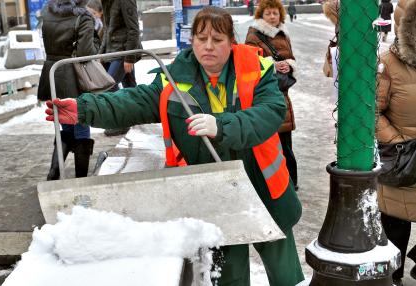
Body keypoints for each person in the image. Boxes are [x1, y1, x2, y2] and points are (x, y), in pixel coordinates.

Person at [45, 6, 304, 286]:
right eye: (201, 38)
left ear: (232, 42)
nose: (208, 47)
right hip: (217, 193)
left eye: (217, 40)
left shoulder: (257, 68)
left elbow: (270, 112)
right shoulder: (174, 78)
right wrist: (84, 109)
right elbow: (135, 101)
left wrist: (221, 126)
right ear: (191, 41)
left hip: (263, 187)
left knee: (286, 275)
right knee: (229, 276)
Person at [376, 0, 416, 285]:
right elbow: (371, 111)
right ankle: (393, 277)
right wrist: (398, 141)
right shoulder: (389, 62)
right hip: (403, 160)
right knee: (395, 230)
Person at [37, 0, 99, 180]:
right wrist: (96, 38)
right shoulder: (83, 16)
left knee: (65, 122)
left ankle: (54, 173)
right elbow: (86, 52)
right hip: (73, 74)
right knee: (80, 121)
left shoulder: (48, 12)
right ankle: (80, 178)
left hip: (52, 71)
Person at [245, 0, 299, 190]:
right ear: (261, 15)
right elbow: (249, 63)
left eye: (275, 13)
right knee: (270, 142)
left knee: (285, 143)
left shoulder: (283, 33)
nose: (272, 17)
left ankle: (291, 181)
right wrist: (272, 65)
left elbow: (291, 57)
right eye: (268, 14)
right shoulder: (254, 35)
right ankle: (276, 182)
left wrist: (288, 65)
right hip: (265, 94)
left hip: (282, 92)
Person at [100, 0, 142, 136]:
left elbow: (134, 30)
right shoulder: (107, 2)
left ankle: (123, 122)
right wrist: (101, 53)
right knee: (130, 86)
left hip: (123, 51)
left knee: (109, 85)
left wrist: (129, 57)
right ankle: (138, 114)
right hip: (112, 51)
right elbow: (107, 29)